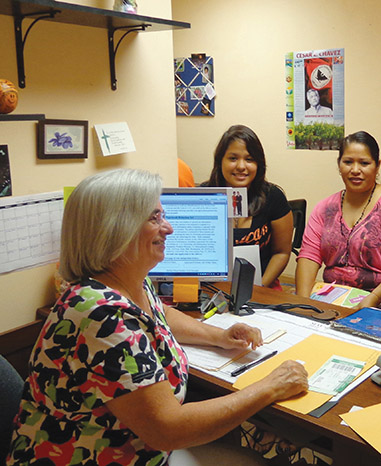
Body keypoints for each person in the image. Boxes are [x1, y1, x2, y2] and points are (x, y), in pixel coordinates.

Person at [6, 169, 308, 465]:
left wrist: (217, 336)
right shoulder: (99, 314)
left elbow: (158, 313)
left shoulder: (128, 280)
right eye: (155, 218)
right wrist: (271, 386)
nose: (169, 228)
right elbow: (169, 429)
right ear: (116, 228)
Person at [296, 131, 381, 318]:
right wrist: (304, 303)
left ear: (377, 166)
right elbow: (309, 255)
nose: (355, 170)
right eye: (348, 162)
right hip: (335, 296)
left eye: (364, 163)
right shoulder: (325, 208)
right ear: (339, 165)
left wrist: (372, 299)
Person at [203, 125, 293, 289]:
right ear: (219, 160)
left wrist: (259, 287)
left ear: (259, 164)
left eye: (249, 159)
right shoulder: (202, 196)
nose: (241, 166)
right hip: (211, 288)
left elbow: (281, 252)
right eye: (233, 158)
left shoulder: (273, 196)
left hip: (262, 287)